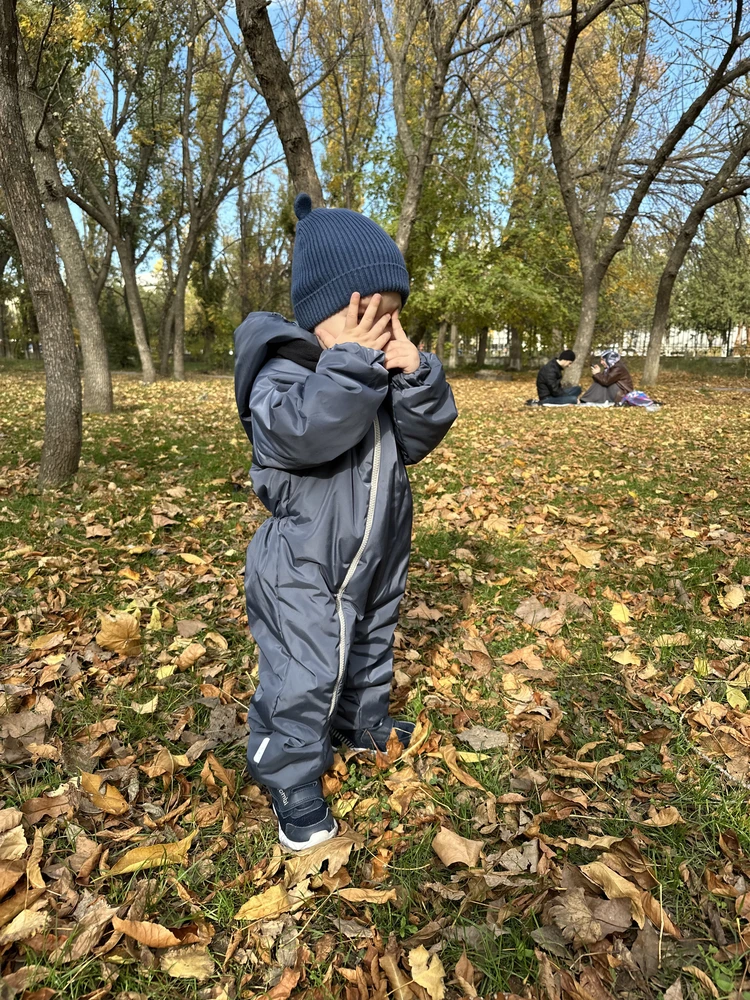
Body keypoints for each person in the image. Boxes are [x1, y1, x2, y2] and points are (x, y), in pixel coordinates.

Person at [233, 192, 457, 851]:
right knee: (302, 671)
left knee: (369, 643)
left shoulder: (369, 369)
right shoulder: (283, 369)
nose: (383, 330)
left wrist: (415, 376)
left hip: (378, 548)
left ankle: (363, 723)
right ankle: (290, 776)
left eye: (393, 317)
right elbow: (304, 434)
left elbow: (414, 439)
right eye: (368, 313)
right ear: (321, 312)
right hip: (305, 561)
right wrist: (351, 364)